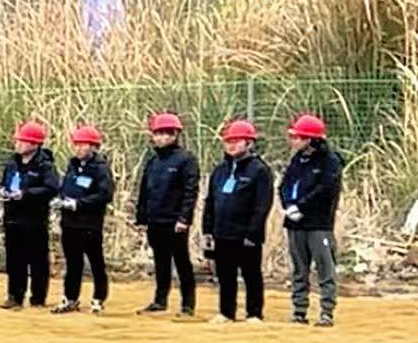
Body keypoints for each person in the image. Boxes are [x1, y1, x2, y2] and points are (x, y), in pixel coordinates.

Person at [201, 119, 274, 324]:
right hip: (222, 232)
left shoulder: (259, 170)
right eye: (228, 141)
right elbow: (210, 200)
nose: (231, 145)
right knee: (225, 275)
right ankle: (226, 312)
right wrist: (207, 229)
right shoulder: (220, 170)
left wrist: (253, 232)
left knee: (251, 274)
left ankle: (254, 313)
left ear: (249, 143)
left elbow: (262, 205)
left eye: (236, 141)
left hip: (246, 234)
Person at [132, 112, 199, 318]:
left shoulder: (186, 160)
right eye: (158, 134)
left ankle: (188, 304)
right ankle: (160, 301)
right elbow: (144, 190)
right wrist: (141, 217)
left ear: (175, 135)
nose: (161, 138)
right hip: (155, 220)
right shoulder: (153, 161)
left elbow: (190, 191)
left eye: (166, 134)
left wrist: (184, 218)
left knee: (181, 262)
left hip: (175, 221)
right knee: (160, 261)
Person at [280, 113, 344, 327]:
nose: (294, 141)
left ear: (310, 139)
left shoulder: (330, 161)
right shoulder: (297, 160)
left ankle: (326, 311)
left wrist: (302, 206)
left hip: (318, 224)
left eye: (298, 137)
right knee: (299, 268)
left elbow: (326, 190)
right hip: (295, 222)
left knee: (325, 268)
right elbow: (285, 185)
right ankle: (299, 310)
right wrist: (288, 205)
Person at [0, 121, 62, 310]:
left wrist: (26, 194)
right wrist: (3, 191)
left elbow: (51, 189)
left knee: (37, 260)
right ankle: (14, 296)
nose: (17, 144)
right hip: (12, 218)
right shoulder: (12, 163)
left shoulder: (45, 166)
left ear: (34, 144)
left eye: (22, 141)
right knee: (14, 259)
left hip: (34, 220)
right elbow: (4, 182)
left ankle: (38, 298)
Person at [52, 125, 115, 314]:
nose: (78, 148)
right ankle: (70, 298)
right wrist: (60, 200)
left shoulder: (100, 169)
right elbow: (66, 187)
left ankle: (98, 298)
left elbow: (105, 194)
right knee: (73, 263)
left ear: (93, 147)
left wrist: (79, 204)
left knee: (96, 263)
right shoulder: (72, 166)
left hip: (89, 224)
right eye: (76, 144)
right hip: (69, 223)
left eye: (83, 144)